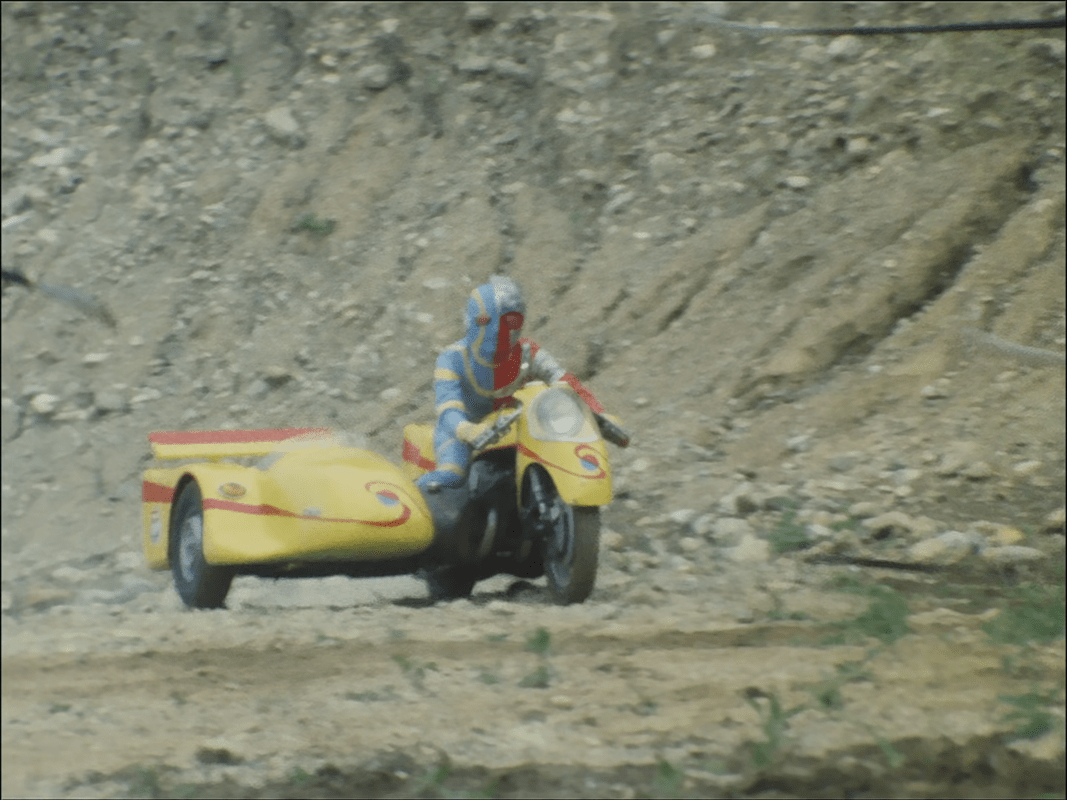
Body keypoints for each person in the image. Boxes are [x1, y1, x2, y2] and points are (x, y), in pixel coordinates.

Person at [417, 276, 620, 489]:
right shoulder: (452, 358)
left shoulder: (528, 352)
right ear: (475, 320)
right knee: (452, 475)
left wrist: (599, 413)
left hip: (516, 428)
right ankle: (415, 497)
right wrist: (468, 430)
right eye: (488, 321)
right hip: (464, 433)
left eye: (511, 321)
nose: (500, 330)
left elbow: (565, 381)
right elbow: (448, 408)